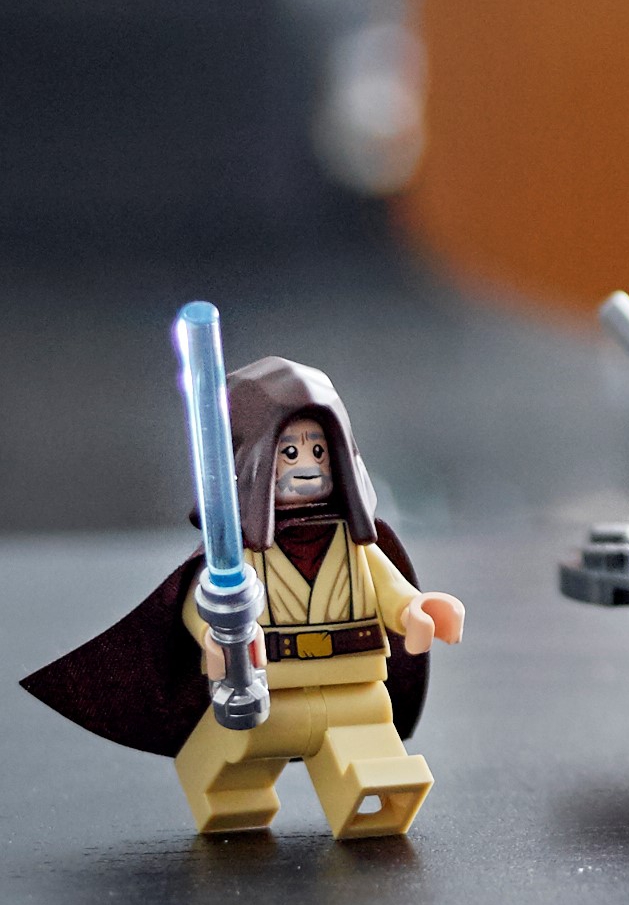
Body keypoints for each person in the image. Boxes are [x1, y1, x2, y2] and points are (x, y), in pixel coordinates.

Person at [23, 355, 464, 839]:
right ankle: (227, 795)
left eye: (318, 450)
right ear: (254, 458)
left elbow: (390, 589)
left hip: (355, 688)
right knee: (237, 764)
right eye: (289, 452)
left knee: (378, 767)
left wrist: (415, 609)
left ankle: (366, 805)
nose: (307, 467)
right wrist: (215, 638)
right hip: (269, 687)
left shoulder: (355, 543)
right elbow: (201, 600)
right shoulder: (240, 554)